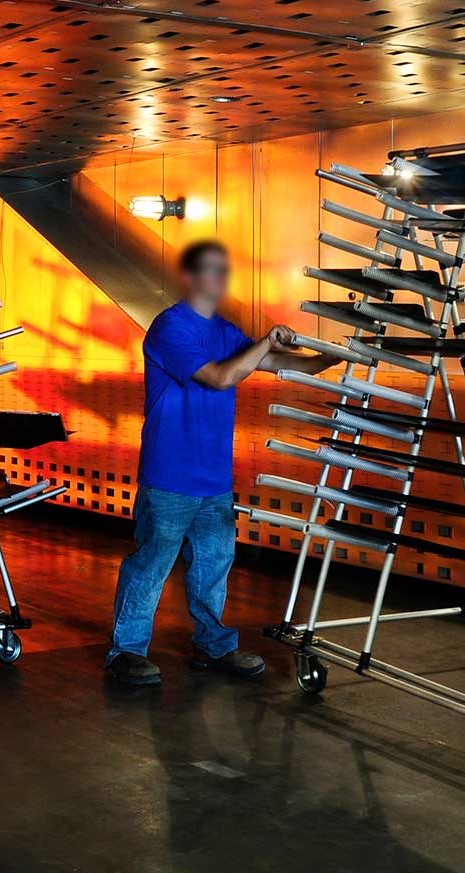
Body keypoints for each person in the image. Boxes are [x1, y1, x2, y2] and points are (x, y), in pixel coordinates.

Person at [105, 239, 342, 686]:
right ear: (190, 278)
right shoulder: (169, 328)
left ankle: (214, 647)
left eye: (223, 271)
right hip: (170, 475)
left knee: (214, 566)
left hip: (214, 479)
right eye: (212, 271)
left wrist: (329, 356)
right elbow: (220, 377)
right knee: (151, 565)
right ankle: (125, 652)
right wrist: (266, 340)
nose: (220, 279)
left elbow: (281, 364)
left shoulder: (226, 331)